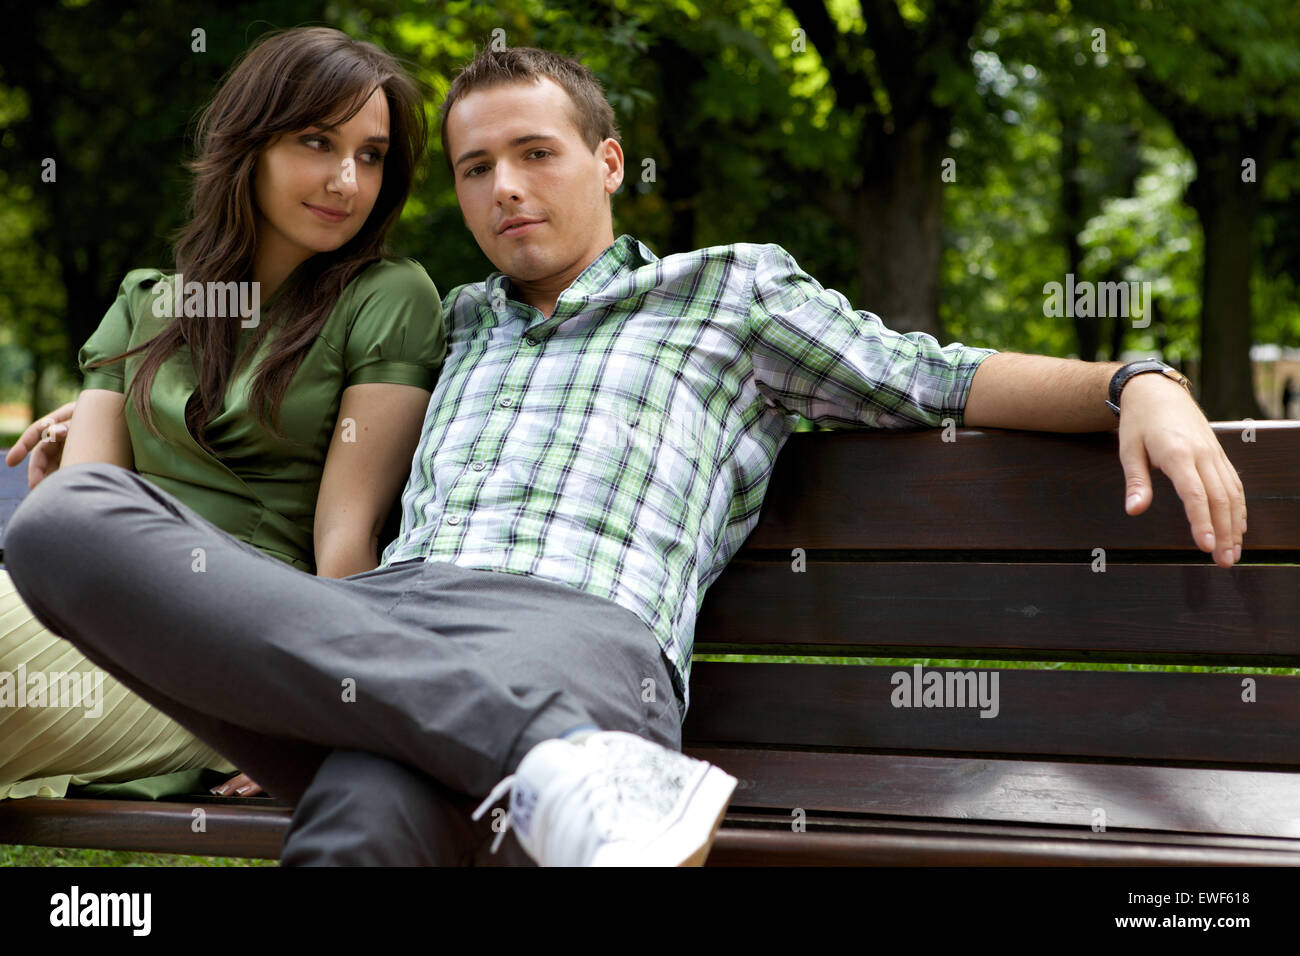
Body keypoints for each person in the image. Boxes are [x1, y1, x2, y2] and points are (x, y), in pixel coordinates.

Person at [5, 45, 1247, 867]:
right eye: (473, 167)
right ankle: (561, 765)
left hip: (574, 630)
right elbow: (277, 431)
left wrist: (1140, 379)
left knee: (366, 828)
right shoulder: (449, 317)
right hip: (394, 631)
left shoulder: (728, 293)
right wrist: (105, 415)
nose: (503, 189)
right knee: (60, 522)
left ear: (606, 162)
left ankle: (549, 748)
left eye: (534, 154)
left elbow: (940, 373)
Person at [0, 27, 444, 802]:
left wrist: (322, 725)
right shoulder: (149, 302)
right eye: (316, 141)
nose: (346, 179)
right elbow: (85, 516)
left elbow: (344, 540)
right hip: (100, 616)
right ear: (251, 145)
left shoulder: (386, 299)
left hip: (231, 655)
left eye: (370, 155)